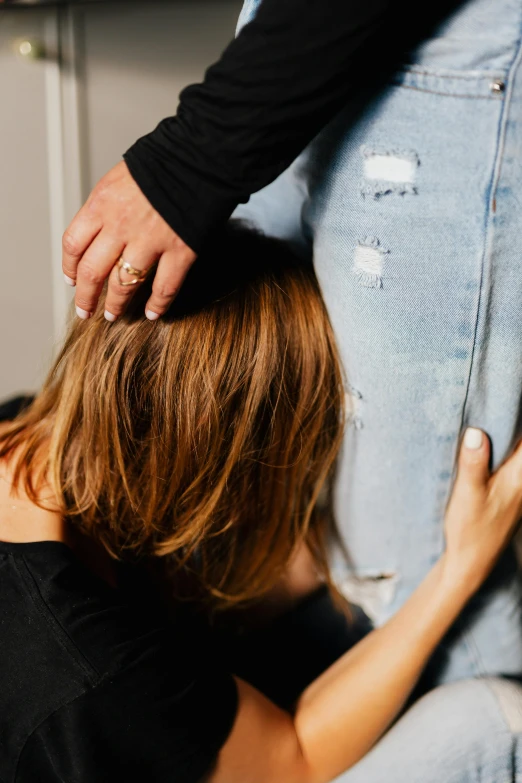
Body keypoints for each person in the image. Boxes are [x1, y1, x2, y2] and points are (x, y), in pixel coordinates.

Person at [58, 0, 522, 689]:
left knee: (411, 568)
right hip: (310, 47)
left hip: (427, 60)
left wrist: (197, 153)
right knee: (370, 537)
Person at [1, 224, 522, 783]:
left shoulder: (31, 432)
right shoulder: (91, 674)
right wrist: (460, 569)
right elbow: (294, 758)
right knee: (494, 721)